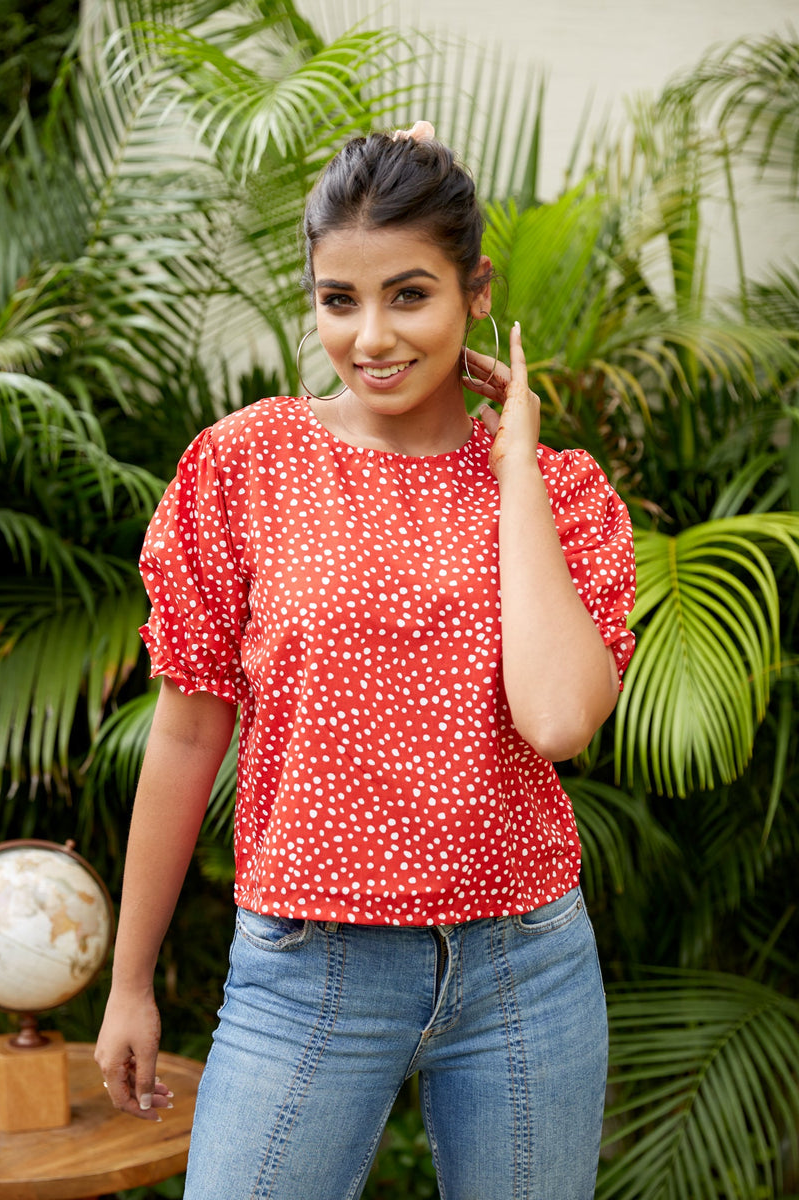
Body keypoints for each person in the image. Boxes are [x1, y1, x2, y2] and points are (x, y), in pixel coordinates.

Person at [95, 119, 636, 1200]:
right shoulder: (244, 466)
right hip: (308, 974)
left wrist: (515, 466)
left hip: (525, 967)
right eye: (339, 300)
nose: (372, 336)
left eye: (409, 294)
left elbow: (559, 720)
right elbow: (189, 735)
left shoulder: (558, 492)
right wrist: (129, 982)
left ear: (476, 290)